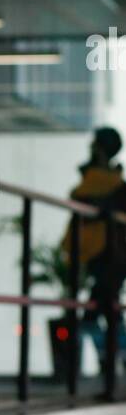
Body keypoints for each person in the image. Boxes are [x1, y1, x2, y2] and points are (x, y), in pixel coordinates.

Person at [60, 127, 126, 371]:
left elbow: (82, 201)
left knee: (101, 308)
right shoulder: (104, 179)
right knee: (107, 307)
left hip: (110, 253)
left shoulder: (112, 183)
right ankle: (109, 362)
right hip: (103, 252)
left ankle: (108, 361)